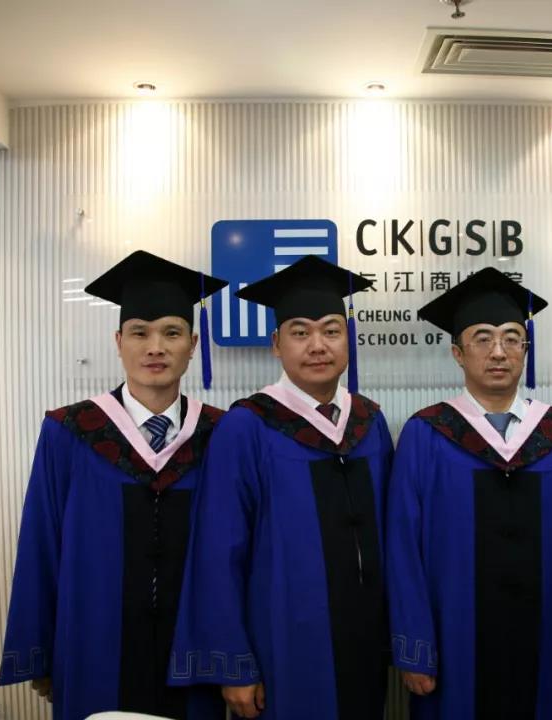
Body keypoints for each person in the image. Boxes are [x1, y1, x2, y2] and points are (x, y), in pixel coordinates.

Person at [0, 250, 228, 720]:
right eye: (140, 332)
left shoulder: (222, 435)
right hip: (93, 647)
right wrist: (40, 650)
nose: (155, 347)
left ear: (193, 344)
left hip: (195, 655)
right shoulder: (70, 431)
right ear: (118, 341)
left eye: (172, 332)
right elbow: (41, 544)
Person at [168, 255, 393, 720]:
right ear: (276, 344)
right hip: (280, 647)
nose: (318, 345)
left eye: (331, 330)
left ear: (348, 339)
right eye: (300, 332)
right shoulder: (247, 426)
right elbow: (218, 553)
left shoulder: (369, 423)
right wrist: (234, 664)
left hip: (364, 642)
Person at [386, 267, 552, 720]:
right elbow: (403, 549)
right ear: (457, 352)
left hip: (547, 637)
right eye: (482, 338)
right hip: (454, 644)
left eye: (512, 338)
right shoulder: (427, 434)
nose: (498, 351)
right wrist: (415, 646)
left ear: (526, 350)